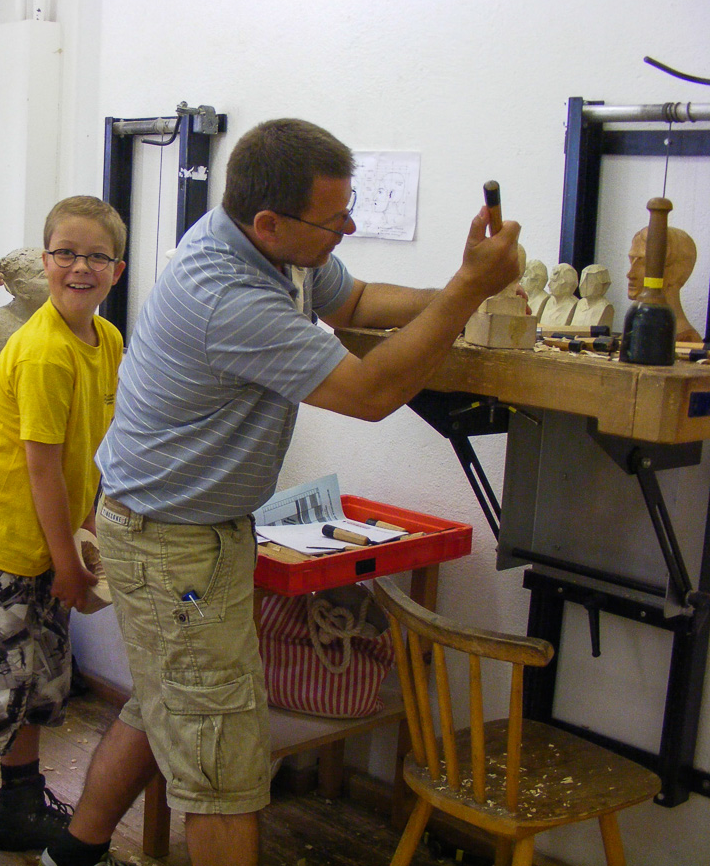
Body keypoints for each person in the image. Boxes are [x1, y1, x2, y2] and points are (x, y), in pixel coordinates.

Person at [40, 118, 520, 866]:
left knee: (171, 704)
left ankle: (69, 856)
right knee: (225, 762)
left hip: (194, 527)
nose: (348, 229)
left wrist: (467, 291)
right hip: (169, 542)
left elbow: (358, 301)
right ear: (268, 221)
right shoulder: (225, 294)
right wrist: (466, 291)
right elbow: (371, 393)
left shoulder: (273, 251)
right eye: (334, 220)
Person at [0, 196, 126, 866]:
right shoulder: (43, 350)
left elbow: (89, 449)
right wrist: (67, 562)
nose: (80, 267)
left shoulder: (107, 342)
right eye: (66, 253)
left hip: (50, 541)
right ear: (44, 262)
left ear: (117, 270)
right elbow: (41, 468)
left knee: (40, 678)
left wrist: (85, 531)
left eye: (96, 256)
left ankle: (19, 806)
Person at [627, 225, 700, 343]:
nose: (630, 274)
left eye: (644, 263)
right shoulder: (636, 331)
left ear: (676, 273)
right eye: (631, 261)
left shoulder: (685, 340)